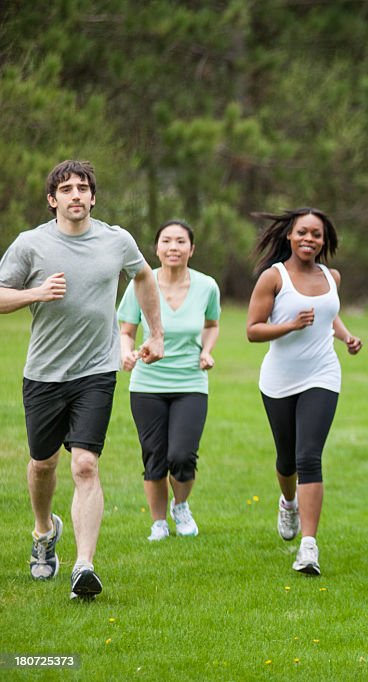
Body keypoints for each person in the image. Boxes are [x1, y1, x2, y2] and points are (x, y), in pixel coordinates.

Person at [0, 159, 164, 600]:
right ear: (52, 199)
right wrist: (36, 292)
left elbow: (144, 275)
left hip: (97, 370)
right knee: (43, 464)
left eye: (83, 188)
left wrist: (157, 333)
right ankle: (42, 530)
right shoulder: (30, 245)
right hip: (44, 373)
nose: (76, 195)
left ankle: (83, 566)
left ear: (93, 196)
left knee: (86, 464)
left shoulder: (117, 241)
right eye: (66, 189)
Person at [246, 208, 361, 576]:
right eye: (303, 233)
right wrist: (290, 326)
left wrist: (345, 336)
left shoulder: (332, 276)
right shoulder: (273, 277)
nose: (309, 239)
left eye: (316, 234)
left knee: (309, 456)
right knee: (287, 460)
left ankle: (309, 547)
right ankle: (288, 500)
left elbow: (329, 313)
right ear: (289, 237)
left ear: (324, 241)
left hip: (322, 374)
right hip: (279, 378)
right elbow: (252, 330)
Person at [118, 219, 221, 541]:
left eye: (180, 241)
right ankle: (159, 522)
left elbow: (212, 324)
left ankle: (181, 506)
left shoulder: (207, 286)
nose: (173, 247)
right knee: (154, 455)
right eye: (166, 241)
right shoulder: (140, 283)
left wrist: (207, 350)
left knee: (182, 456)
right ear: (156, 248)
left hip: (191, 383)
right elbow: (126, 330)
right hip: (147, 384)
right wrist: (127, 352)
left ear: (192, 249)